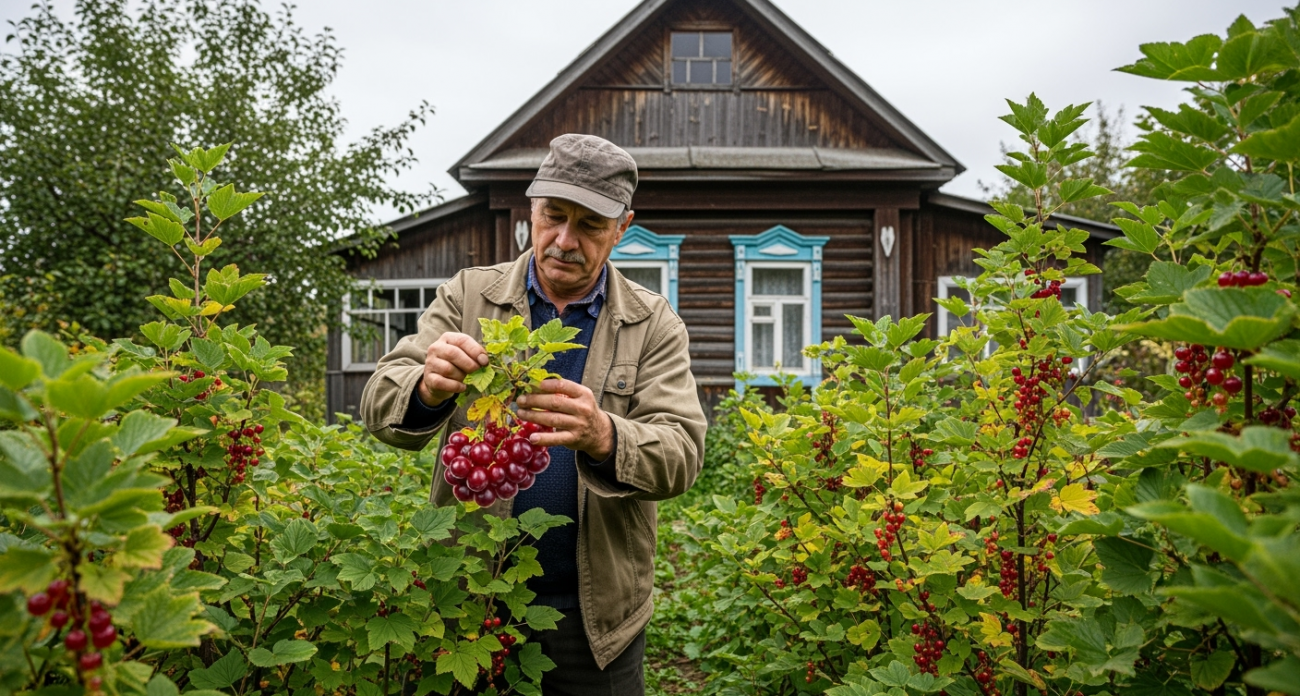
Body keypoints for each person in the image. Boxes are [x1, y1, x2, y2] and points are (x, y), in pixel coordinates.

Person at [359, 133, 708, 695]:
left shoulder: (652, 324)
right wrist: (427, 388)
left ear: (622, 227)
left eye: (591, 225)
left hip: (595, 622)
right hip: (470, 599)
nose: (565, 240)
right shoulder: (468, 298)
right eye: (553, 216)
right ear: (531, 210)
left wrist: (604, 434)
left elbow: (682, 455)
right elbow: (379, 401)